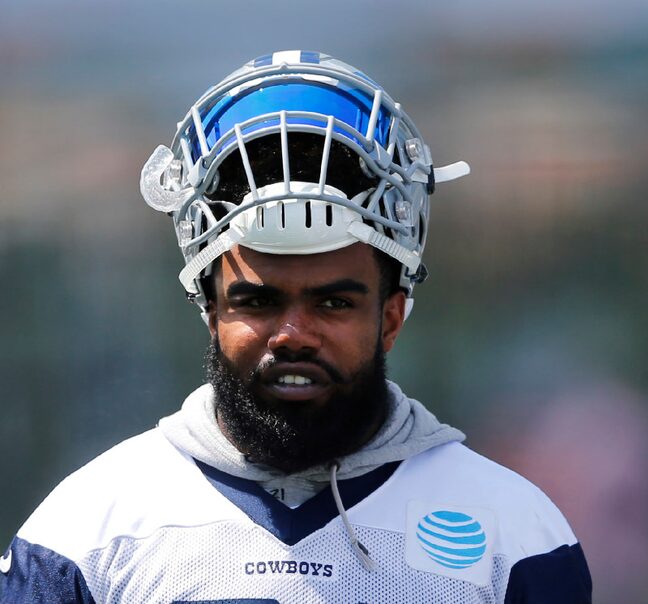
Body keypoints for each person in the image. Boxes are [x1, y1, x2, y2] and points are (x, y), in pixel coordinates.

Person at [0, 51, 592, 603]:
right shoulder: (85, 536)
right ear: (210, 309)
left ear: (391, 316)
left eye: (333, 304)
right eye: (258, 303)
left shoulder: (513, 539)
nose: (292, 335)